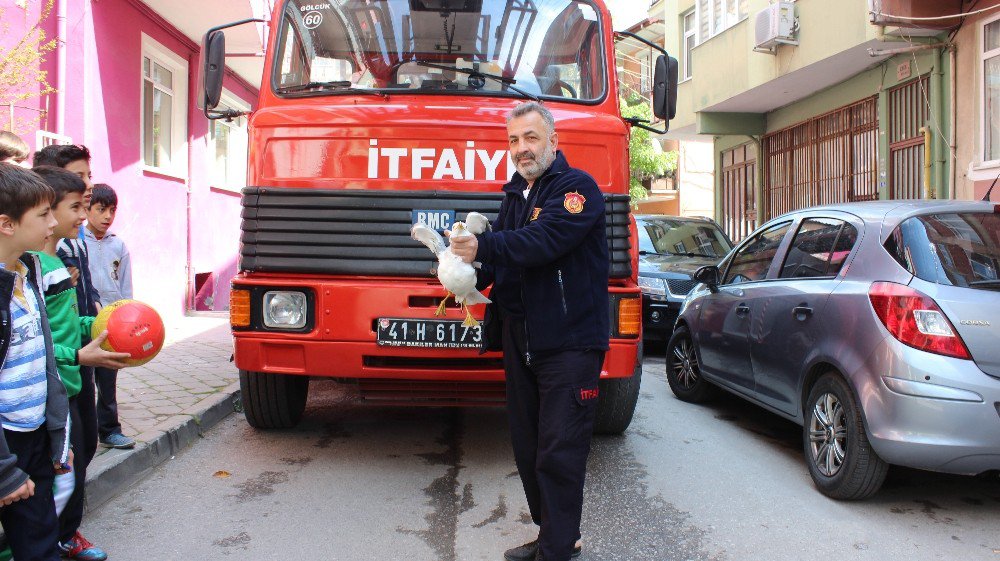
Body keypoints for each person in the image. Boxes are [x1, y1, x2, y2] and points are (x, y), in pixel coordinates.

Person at [448, 102, 609, 561]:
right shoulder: (515, 195)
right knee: (530, 447)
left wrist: (485, 244)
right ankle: (556, 537)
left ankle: (556, 551)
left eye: (531, 138)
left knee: (559, 450)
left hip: (569, 341)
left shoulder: (577, 189)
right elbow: (502, 258)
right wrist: (463, 277)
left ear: (553, 142)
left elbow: (545, 241)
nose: (521, 149)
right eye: (513, 141)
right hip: (522, 338)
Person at [31, 166, 129, 561]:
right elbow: (32, 342)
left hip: (72, 383)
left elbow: (70, 322)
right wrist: (78, 354)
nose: (81, 216)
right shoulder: (33, 267)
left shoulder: (59, 260)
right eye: (77, 206)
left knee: (80, 455)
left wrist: (109, 322)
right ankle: (45, 541)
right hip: (52, 388)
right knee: (58, 472)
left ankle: (64, 535)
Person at [0, 163, 71, 561]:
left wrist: (58, 439)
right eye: (43, 214)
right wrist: (5, 471)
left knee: (41, 543)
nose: (53, 221)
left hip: (32, 434)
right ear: (7, 224)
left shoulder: (27, 274)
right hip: (3, 442)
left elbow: (44, 364)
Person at [84, 184, 134, 448]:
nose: (107, 216)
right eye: (101, 210)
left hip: (112, 324)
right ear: (87, 209)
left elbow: (125, 287)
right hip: (83, 320)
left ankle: (110, 430)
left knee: (107, 380)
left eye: (112, 210)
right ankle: (80, 435)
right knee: (82, 381)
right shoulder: (75, 242)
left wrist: (128, 316)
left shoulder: (118, 244)